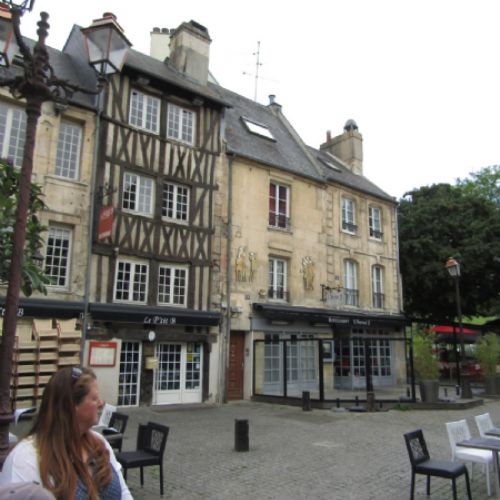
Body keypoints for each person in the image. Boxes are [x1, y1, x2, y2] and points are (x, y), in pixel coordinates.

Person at [0, 367, 133, 499]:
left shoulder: (99, 443)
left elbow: (124, 494)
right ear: (72, 405)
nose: (101, 403)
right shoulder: (25, 458)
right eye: (94, 398)